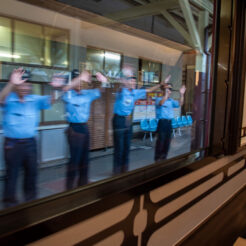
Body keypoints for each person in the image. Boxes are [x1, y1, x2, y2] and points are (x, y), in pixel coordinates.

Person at [0, 68, 52, 208]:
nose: (24, 87)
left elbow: (51, 100)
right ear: (16, 86)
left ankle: (30, 202)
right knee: (12, 175)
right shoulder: (8, 98)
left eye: (27, 84)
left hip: (30, 143)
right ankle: (9, 204)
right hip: (12, 144)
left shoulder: (34, 100)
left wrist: (56, 88)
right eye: (21, 84)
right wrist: (11, 83)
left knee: (32, 174)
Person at [51, 70, 104, 189]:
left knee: (85, 159)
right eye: (78, 81)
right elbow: (63, 90)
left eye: (82, 81)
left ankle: (82, 185)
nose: (80, 84)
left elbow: (101, 91)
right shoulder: (68, 93)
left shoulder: (87, 93)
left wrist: (103, 82)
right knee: (74, 160)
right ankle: (69, 187)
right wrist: (79, 78)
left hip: (85, 127)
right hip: (74, 128)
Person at [113, 66, 166, 174]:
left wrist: (161, 84)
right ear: (126, 82)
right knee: (120, 148)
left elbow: (150, 90)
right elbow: (119, 86)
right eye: (131, 81)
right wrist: (124, 77)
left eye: (134, 81)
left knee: (127, 147)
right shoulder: (121, 91)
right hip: (118, 120)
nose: (133, 83)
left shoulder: (135, 92)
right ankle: (116, 172)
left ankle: (124, 170)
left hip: (128, 121)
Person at [155, 78, 186, 161]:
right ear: (164, 89)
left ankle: (164, 157)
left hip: (169, 123)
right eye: (168, 88)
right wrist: (166, 94)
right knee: (160, 141)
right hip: (162, 123)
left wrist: (182, 94)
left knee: (167, 142)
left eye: (170, 89)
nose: (169, 90)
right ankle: (157, 159)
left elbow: (180, 104)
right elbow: (161, 103)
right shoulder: (158, 99)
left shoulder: (171, 101)